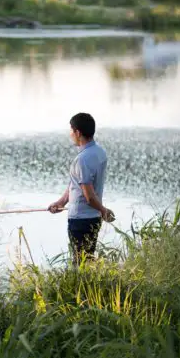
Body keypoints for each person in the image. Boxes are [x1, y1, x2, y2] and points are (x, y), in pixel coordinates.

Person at [48, 113, 115, 266]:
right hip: (94, 218)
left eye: (71, 131)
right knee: (88, 262)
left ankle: (82, 289)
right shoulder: (99, 152)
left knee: (79, 265)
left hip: (80, 220)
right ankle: (90, 289)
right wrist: (61, 202)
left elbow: (89, 196)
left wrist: (104, 210)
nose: (70, 134)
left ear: (78, 132)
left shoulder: (82, 159)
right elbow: (75, 185)